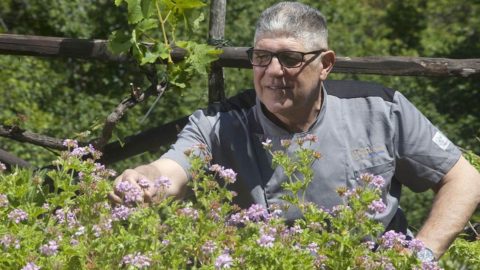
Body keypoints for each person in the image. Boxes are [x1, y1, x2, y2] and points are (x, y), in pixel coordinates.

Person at [110, 1, 480, 261]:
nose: (273, 71)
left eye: (289, 59)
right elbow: (170, 170)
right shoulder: (218, 125)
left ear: (325, 65)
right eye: (261, 57)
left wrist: (420, 255)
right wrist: (142, 179)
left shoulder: (381, 110)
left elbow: (464, 179)